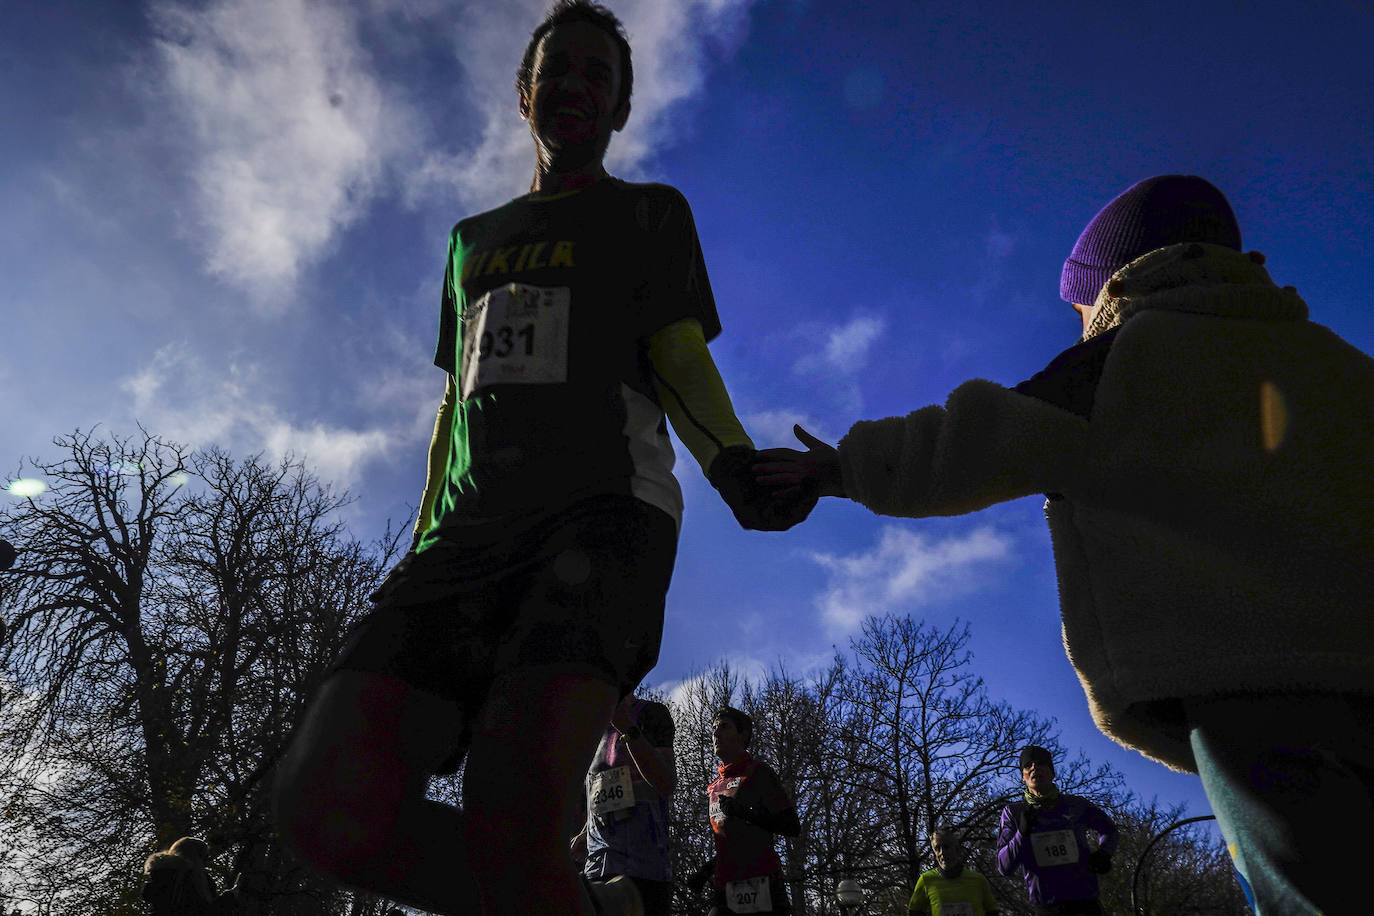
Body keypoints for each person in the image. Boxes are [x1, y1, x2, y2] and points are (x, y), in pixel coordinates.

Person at [272, 3, 810, 915]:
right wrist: (420, 541)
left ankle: (550, 887)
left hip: (603, 518)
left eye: (599, 74)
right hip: (463, 544)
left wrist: (734, 466)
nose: (576, 85)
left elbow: (678, 352)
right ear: (525, 94)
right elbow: (455, 407)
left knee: (516, 819)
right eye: (559, 67)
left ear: (619, 112)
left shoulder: (648, 214)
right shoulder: (468, 241)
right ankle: (581, 905)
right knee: (322, 803)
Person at [755, 173, 1374, 916]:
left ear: (1117, 281)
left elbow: (977, 435)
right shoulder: (1341, 363)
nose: (1079, 321)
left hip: (1248, 688)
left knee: (1311, 892)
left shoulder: (1119, 361)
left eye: (1080, 304)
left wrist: (840, 467)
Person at [686, 706, 800, 915]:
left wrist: (746, 813)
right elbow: (732, 842)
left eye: (724, 727)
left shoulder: (758, 772)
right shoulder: (713, 786)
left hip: (762, 882)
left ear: (743, 735)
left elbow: (792, 826)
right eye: (713, 729)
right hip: (725, 886)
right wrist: (704, 872)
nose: (716, 733)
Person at [574, 694, 678, 916]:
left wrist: (625, 725)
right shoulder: (590, 727)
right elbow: (601, 789)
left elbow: (666, 782)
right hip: (597, 868)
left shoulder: (650, 713)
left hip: (644, 872)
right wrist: (585, 834)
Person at [993, 747, 1115, 915]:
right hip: (1047, 906)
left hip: (1085, 902)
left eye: (1041, 763)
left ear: (1052, 773)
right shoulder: (1013, 812)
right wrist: (1022, 833)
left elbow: (1109, 829)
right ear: (1023, 777)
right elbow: (1003, 866)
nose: (1035, 767)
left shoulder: (1076, 804)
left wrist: (1104, 853)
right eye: (1028, 765)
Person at [908, 826, 1000, 916]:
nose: (942, 852)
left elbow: (993, 910)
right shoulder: (926, 880)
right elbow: (914, 911)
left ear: (957, 849)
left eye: (946, 847)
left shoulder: (979, 880)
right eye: (937, 848)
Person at [141, 837, 242, 916]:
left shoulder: (163, 882)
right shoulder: (188, 881)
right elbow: (204, 912)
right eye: (204, 858)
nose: (206, 864)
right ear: (197, 857)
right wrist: (231, 895)